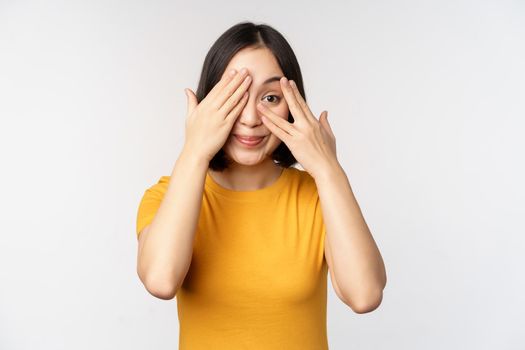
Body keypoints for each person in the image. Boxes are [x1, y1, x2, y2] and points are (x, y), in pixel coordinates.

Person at [135, 21, 387, 349]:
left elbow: (365, 295)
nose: (252, 118)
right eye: (235, 96)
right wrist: (195, 150)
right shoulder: (168, 196)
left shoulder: (316, 196)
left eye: (270, 97)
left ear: (293, 105)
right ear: (209, 100)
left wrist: (328, 169)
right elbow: (160, 280)